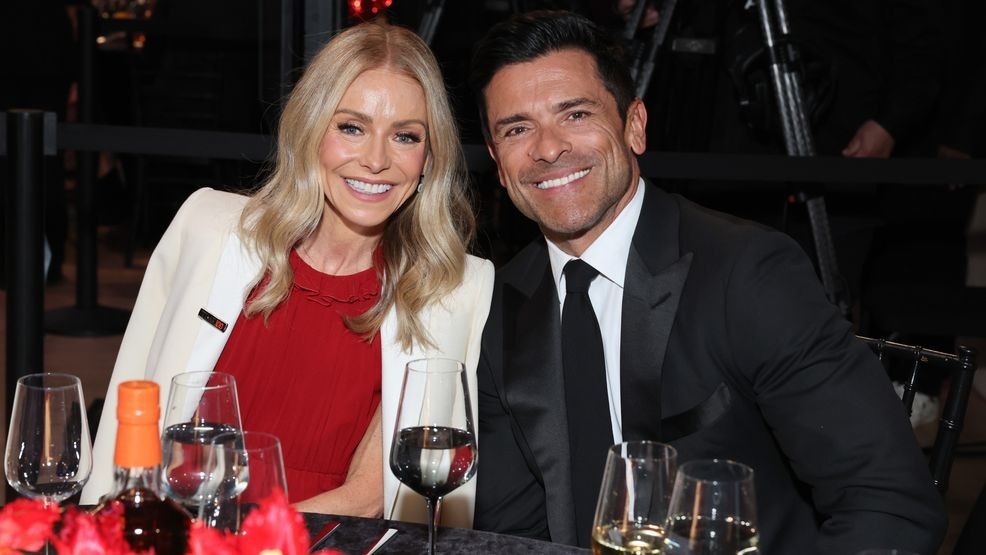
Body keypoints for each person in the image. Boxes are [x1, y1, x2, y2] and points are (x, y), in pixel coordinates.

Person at [468, 10, 945, 553]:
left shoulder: (746, 272)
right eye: (517, 128)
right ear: (499, 165)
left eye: (575, 114)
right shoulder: (504, 300)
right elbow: (510, 530)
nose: (548, 148)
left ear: (634, 126)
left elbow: (888, 503)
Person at [80, 20, 494, 526]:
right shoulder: (207, 227)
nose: (377, 160)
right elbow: (132, 410)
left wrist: (243, 541)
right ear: (311, 130)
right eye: (351, 127)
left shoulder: (451, 291)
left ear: (429, 158)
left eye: (405, 136)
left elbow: (371, 497)